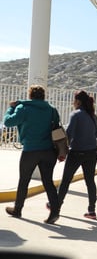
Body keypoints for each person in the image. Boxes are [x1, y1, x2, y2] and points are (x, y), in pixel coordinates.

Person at [3, 85, 60, 224]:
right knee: (48, 181)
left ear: (30, 95)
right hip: (48, 151)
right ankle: (55, 212)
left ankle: (18, 209)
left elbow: (8, 122)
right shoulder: (51, 109)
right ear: (43, 96)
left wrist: (11, 108)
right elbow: (56, 125)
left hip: (30, 150)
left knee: (24, 180)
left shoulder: (23, 108)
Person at [51, 90, 97, 219]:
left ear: (78, 101)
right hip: (93, 152)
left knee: (66, 180)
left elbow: (69, 134)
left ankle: (56, 206)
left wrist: (62, 150)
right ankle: (92, 211)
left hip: (77, 152)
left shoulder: (76, 114)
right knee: (90, 181)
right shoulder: (93, 115)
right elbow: (96, 134)